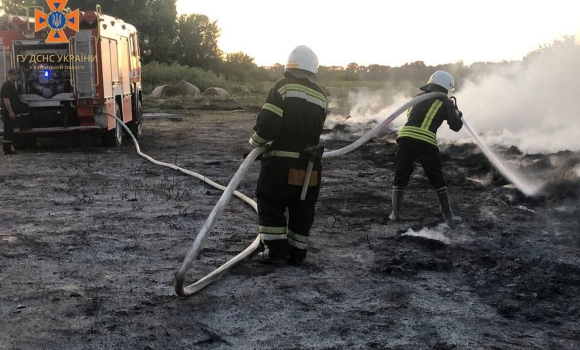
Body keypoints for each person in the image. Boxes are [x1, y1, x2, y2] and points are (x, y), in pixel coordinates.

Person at [248, 45, 328, 265]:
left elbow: (268, 125)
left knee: (271, 204)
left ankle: (276, 252)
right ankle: (297, 253)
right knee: (302, 209)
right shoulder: (321, 96)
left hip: (279, 166)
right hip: (310, 167)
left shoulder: (282, 87)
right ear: (313, 70)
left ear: (289, 67)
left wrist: (253, 145)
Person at [389, 70, 463, 227]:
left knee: (401, 175)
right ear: (446, 88)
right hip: (425, 141)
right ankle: (448, 217)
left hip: (406, 138)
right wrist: (456, 113)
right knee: (436, 178)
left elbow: (411, 115)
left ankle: (395, 214)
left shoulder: (417, 99)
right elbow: (456, 126)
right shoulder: (445, 102)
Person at [1, 68, 29, 155]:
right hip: (8, 110)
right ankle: (7, 149)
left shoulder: (11, 85)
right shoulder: (7, 85)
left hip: (12, 110)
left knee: (10, 129)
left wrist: (22, 102)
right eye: (14, 75)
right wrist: (10, 112)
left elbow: (14, 98)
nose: (16, 76)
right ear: (8, 76)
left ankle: (8, 148)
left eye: (17, 75)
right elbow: (6, 99)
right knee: (8, 130)